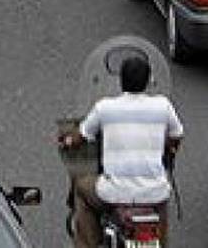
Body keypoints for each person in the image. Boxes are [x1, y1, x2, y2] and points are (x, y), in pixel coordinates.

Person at [61, 55, 183, 248]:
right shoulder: (163, 105)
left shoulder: (105, 108)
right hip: (155, 193)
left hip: (114, 193)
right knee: (159, 220)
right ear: (148, 80)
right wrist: (168, 148)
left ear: (121, 80)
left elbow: (80, 137)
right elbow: (176, 135)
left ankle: (87, 243)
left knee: (82, 187)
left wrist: (68, 141)